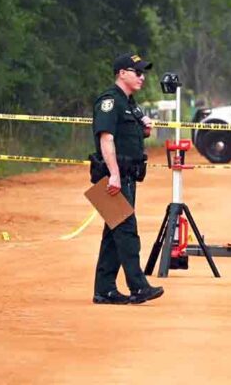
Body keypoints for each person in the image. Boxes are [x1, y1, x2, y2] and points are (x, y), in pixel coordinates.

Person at [91, 52, 164, 305]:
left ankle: (105, 290)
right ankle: (138, 286)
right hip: (112, 178)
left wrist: (144, 128)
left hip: (127, 176)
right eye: (137, 72)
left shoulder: (130, 103)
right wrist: (113, 175)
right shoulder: (110, 101)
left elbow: (127, 136)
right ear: (122, 73)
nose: (142, 77)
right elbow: (106, 138)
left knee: (114, 234)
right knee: (126, 232)